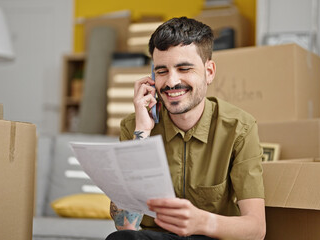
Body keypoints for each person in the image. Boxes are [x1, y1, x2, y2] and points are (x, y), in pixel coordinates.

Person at [106, 17, 265, 240]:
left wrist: (201, 222)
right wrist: (142, 132)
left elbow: (256, 229)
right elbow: (126, 226)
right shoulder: (135, 126)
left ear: (209, 72)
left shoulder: (240, 128)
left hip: (212, 236)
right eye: (162, 71)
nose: (171, 82)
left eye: (184, 68)